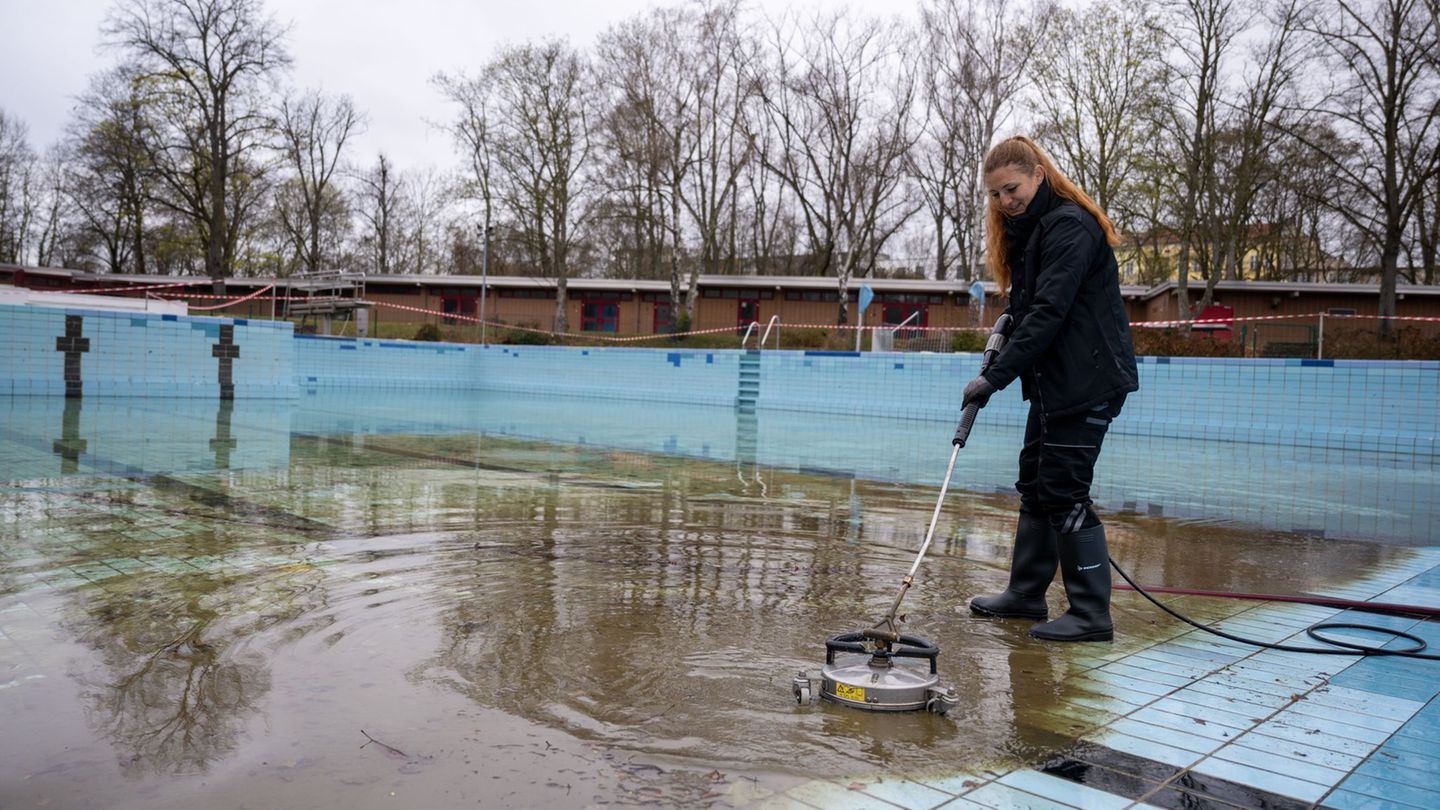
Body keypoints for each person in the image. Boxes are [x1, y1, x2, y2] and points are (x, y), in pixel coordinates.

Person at [962, 135, 1139, 642]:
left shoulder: (1070, 227)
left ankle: (1090, 615)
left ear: (1038, 174)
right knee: (1036, 483)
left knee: (1064, 489)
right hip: (1054, 383)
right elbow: (1029, 308)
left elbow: (1050, 313)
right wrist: (1006, 326)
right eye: (995, 195)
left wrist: (993, 378)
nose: (1004, 202)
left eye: (1011, 189)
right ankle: (1026, 593)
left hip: (1087, 382)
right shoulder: (1033, 231)